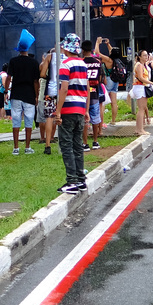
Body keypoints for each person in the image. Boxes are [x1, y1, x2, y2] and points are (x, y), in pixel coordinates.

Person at [54, 34, 89, 193]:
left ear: (66, 48)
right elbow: (87, 88)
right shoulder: (83, 64)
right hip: (80, 108)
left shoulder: (65, 64)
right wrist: (86, 110)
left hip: (68, 109)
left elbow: (64, 89)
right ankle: (81, 179)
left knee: (66, 145)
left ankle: (72, 181)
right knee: (77, 145)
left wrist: (58, 111)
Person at [5, 38, 39, 154]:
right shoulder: (34, 62)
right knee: (29, 121)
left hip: (16, 93)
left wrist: (6, 91)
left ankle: (16, 147)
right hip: (29, 94)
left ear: (18, 49)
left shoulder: (13, 61)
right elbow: (36, 81)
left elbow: (9, 77)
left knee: (16, 120)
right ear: (28, 48)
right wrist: (36, 95)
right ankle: (27, 147)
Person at [82, 39, 113, 150]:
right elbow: (100, 78)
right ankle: (95, 141)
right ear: (91, 49)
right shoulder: (97, 62)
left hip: (84, 93)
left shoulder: (81, 62)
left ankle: (85, 143)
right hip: (95, 92)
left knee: (84, 119)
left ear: (82, 50)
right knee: (95, 118)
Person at [131, 49, 153, 135]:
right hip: (140, 87)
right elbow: (141, 77)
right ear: (140, 57)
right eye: (144, 55)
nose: (146, 57)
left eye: (147, 55)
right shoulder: (140, 65)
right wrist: (152, 83)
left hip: (141, 87)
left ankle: (138, 129)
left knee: (142, 108)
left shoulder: (141, 65)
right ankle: (140, 129)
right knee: (141, 109)